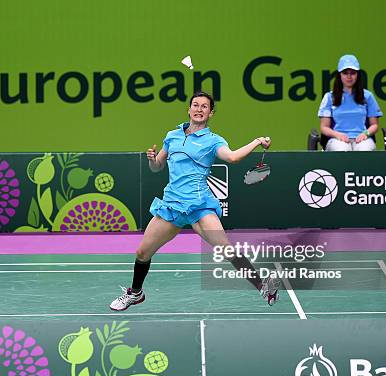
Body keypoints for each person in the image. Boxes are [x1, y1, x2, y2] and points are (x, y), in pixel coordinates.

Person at [109, 91, 279, 311]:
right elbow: (157, 166)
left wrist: (256, 141)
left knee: (226, 249)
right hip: (172, 205)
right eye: (195, 105)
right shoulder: (172, 136)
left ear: (210, 113)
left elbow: (233, 157)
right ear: (188, 109)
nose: (199, 109)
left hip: (199, 205)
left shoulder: (213, 140)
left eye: (204, 107)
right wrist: (152, 159)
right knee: (142, 253)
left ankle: (263, 286)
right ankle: (135, 293)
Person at [318, 54, 383, 151]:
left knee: (364, 149)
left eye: (353, 73)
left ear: (358, 75)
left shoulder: (368, 96)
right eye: (345, 73)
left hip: (362, 138)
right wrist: (337, 135)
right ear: (339, 75)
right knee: (342, 150)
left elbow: (374, 125)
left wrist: (365, 134)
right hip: (336, 139)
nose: (349, 77)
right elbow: (324, 127)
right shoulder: (329, 97)